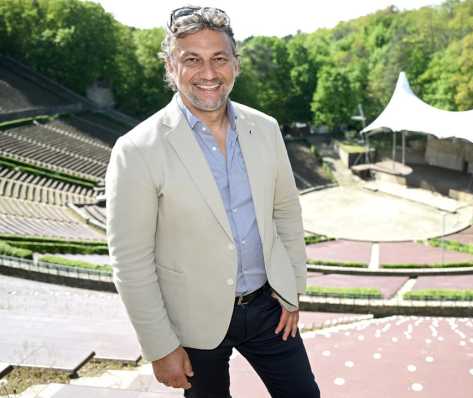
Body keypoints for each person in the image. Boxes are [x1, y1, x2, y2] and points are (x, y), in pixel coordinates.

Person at [105, 6, 319, 398]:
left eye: (219, 58)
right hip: (192, 324)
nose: (208, 72)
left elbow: (285, 211)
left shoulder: (266, 129)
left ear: (235, 65)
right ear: (171, 67)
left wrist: (292, 289)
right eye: (192, 60)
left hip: (269, 308)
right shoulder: (136, 150)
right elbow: (131, 261)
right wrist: (160, 346)